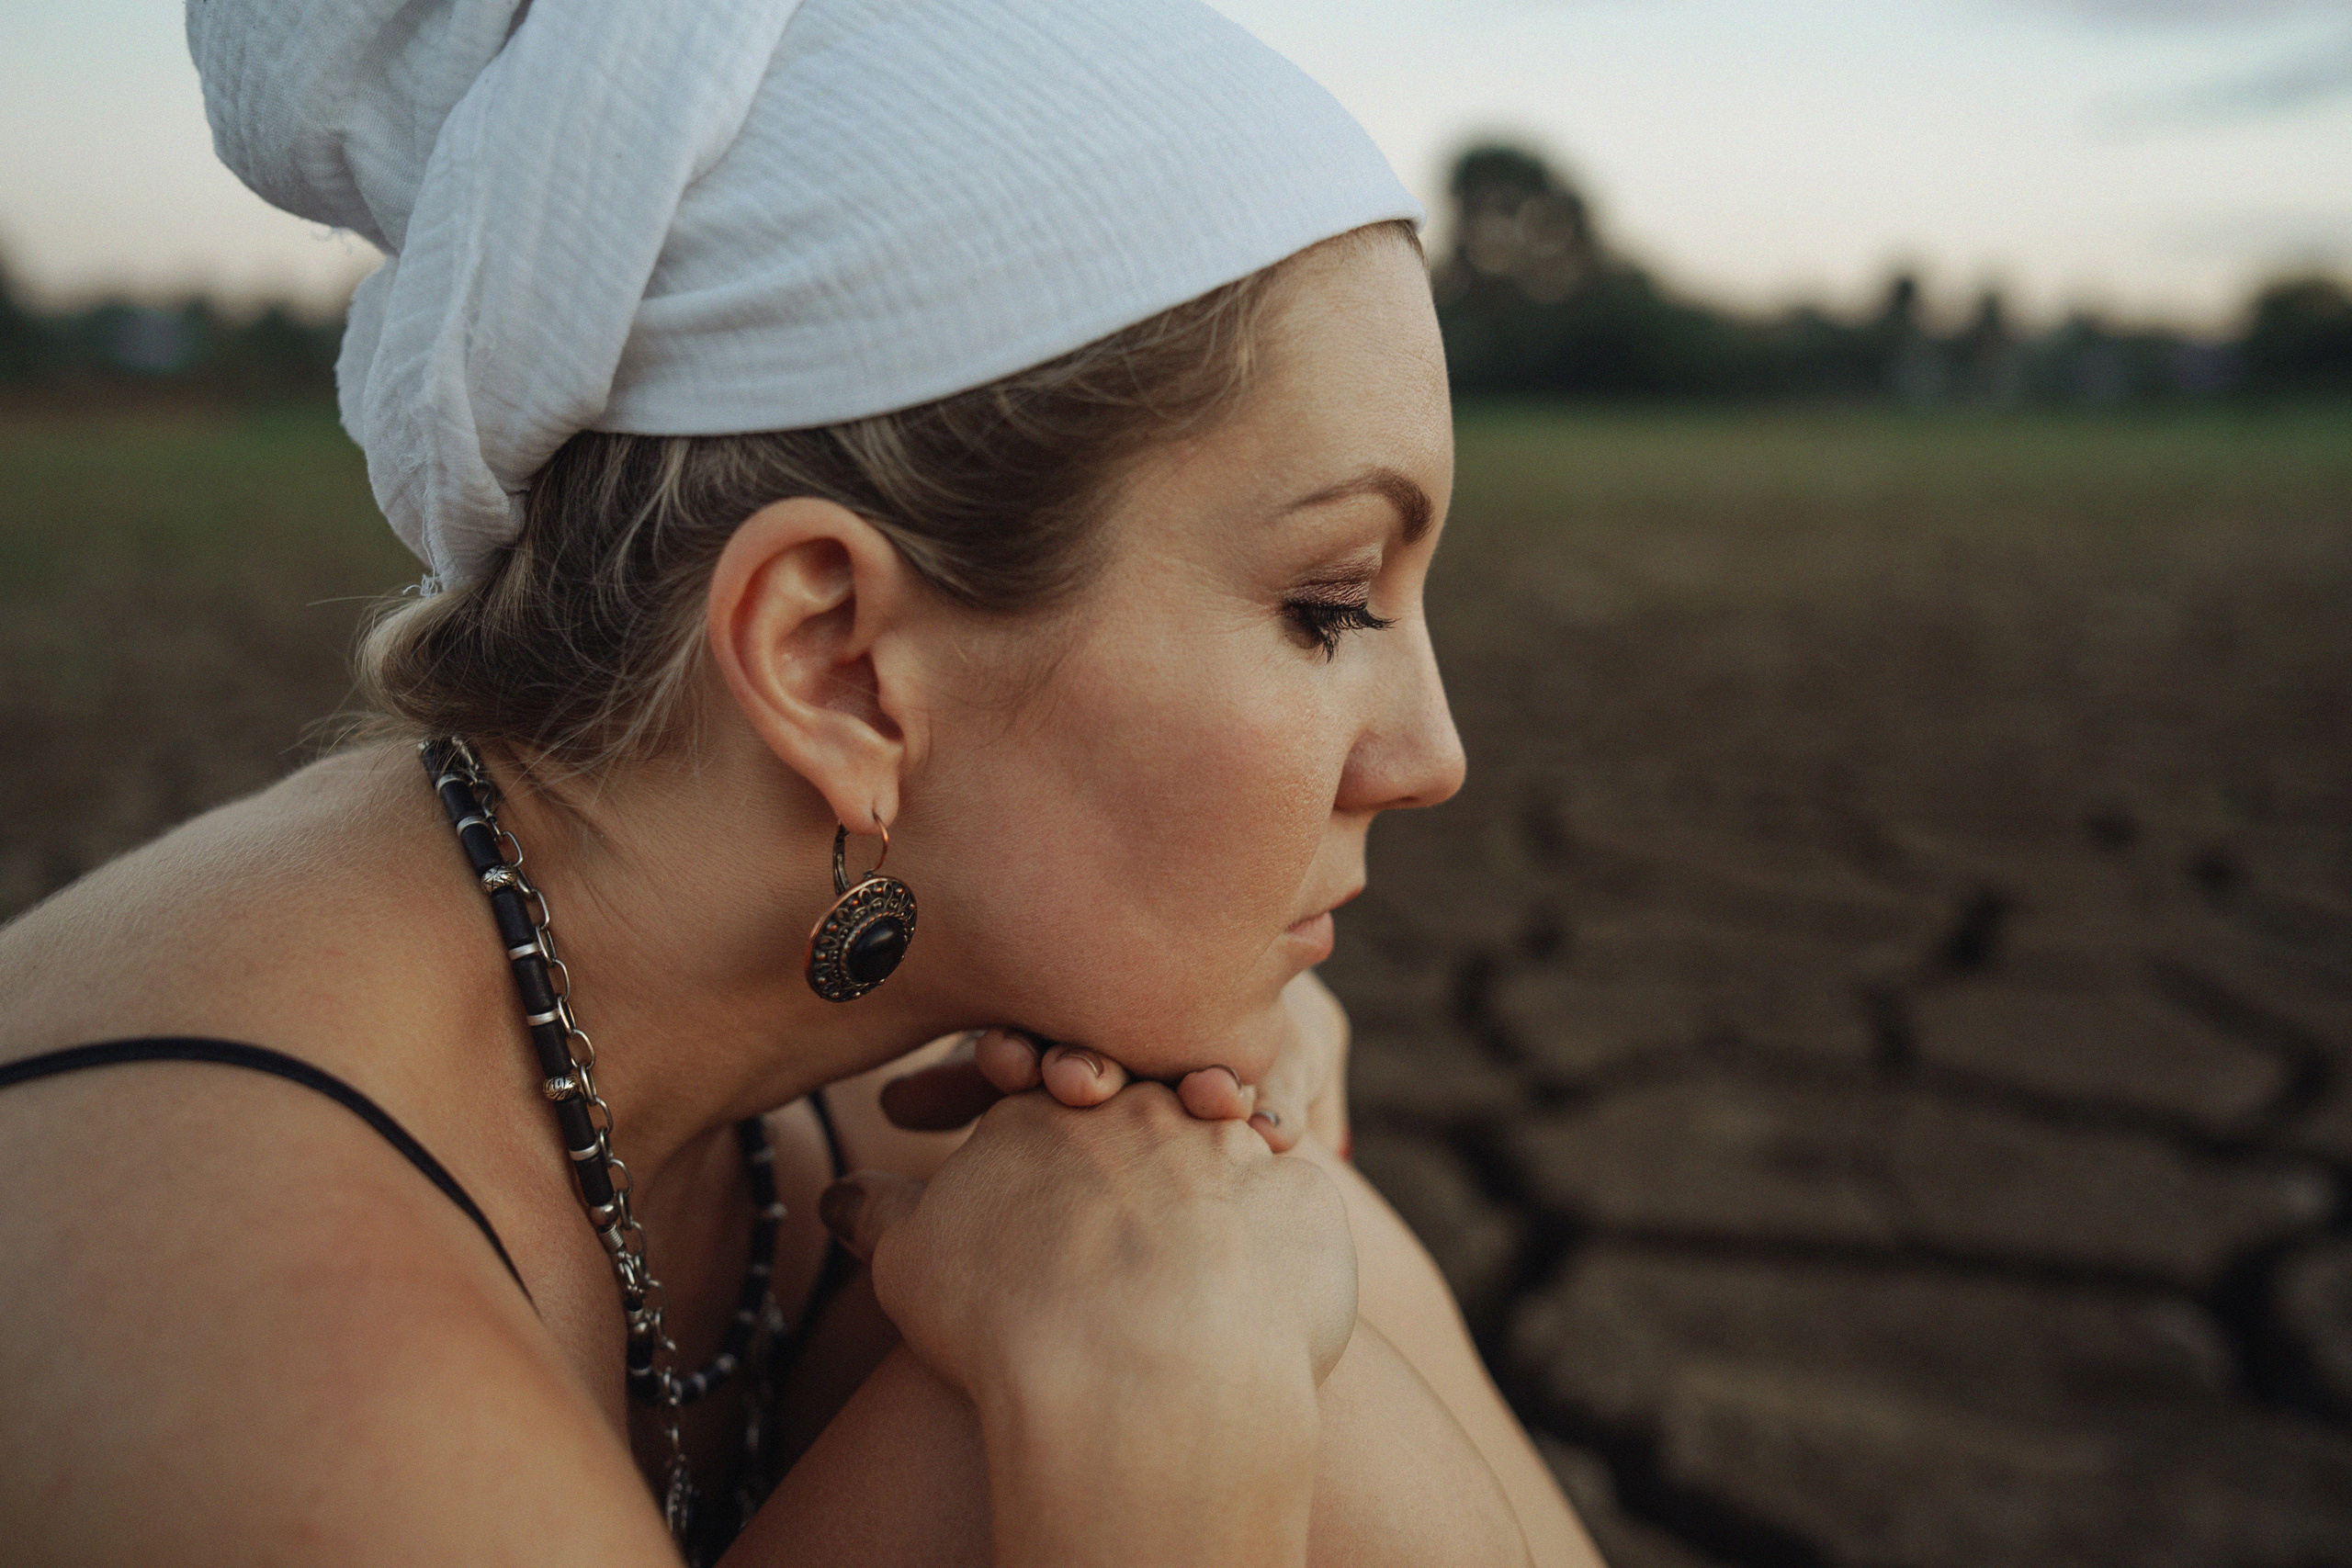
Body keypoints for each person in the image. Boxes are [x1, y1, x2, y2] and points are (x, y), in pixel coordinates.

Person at [0, 1, 1601, 1564]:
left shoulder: (744, 1060)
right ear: (835, 661)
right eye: (1328, 606)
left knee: (1248, 1252)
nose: (1431, 758)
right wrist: (1157, 1438)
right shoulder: (293, 1389)